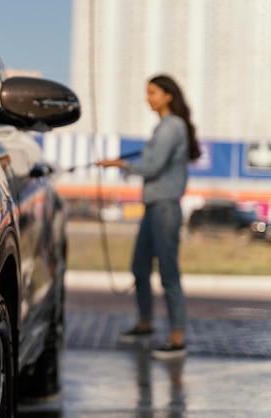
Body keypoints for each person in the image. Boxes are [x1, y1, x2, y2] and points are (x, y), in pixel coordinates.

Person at [98, 74, 201, 360]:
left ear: (168, 95)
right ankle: (145, 324)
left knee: (168, 272)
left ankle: (177, 337)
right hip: (153, 206)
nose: (148, 97)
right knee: (139, 267)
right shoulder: (163, 127)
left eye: (153, 92)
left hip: (165, 207)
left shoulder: (172, 126)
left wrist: (121, 164)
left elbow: (153, 166)